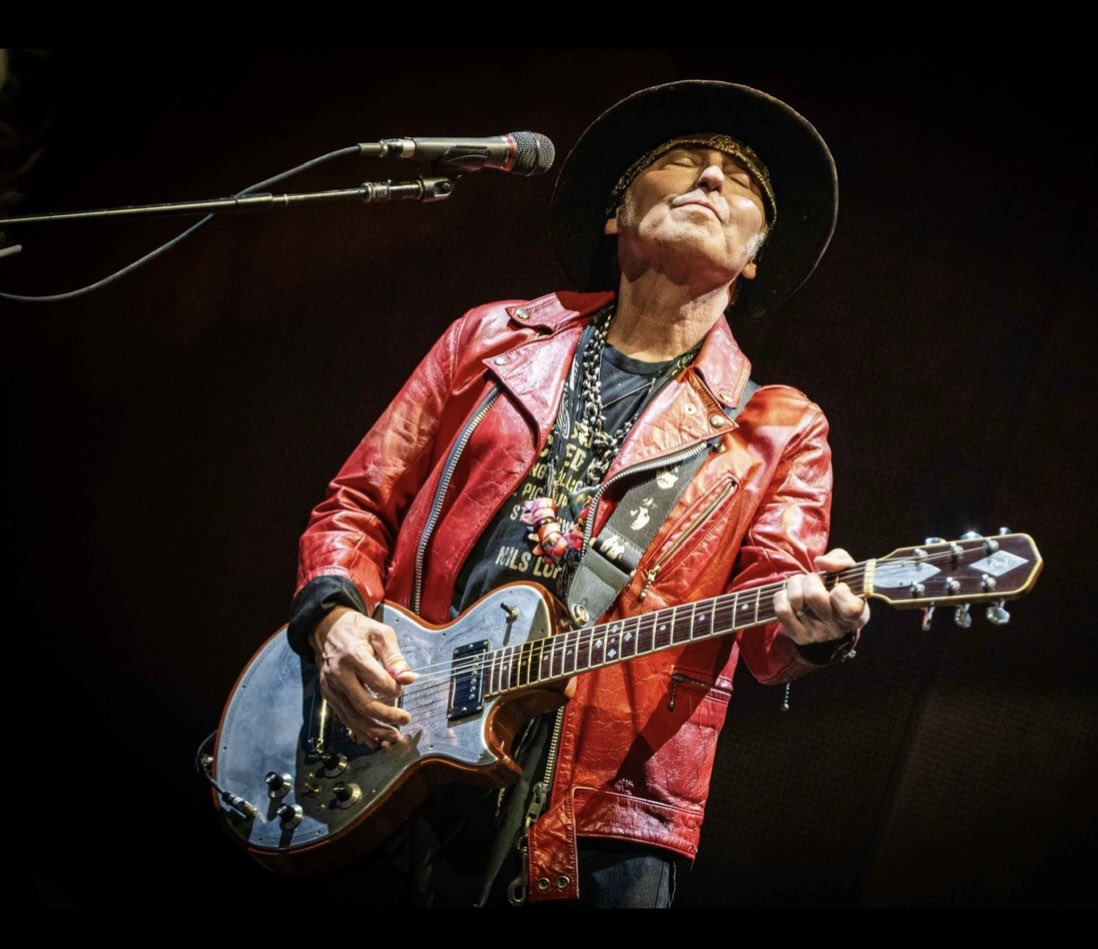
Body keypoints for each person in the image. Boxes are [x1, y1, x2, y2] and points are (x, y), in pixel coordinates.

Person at [286, 80, 870, 907]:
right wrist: (336, 620)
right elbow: (355, 504)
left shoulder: (780, 426)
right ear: (616, 214)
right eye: (683, 163)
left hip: (603, 814)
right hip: (388, 745)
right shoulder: (491, 338)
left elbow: (772, 634)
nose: (710, 181)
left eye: (741, 184)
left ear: (753, 260)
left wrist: (818, 627)